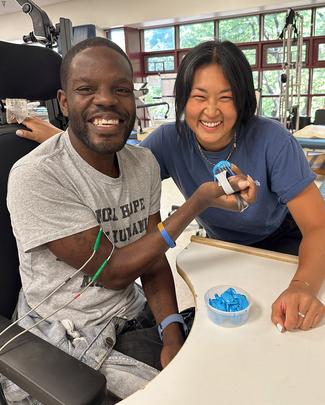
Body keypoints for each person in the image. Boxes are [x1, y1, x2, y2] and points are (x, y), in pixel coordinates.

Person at [3, 37, 253, 404]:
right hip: (69, 345)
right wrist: (195, 204)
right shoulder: (37, 175)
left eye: (120, 89)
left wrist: (171, 333)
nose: (106, 100)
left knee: (234, 355)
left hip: (132, 315)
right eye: (86, 89)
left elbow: (151, 257)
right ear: (64, 101)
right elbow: (113, 269)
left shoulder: (143, 164)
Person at [17, 40, 325, 336]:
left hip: (279, 243)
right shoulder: (169, 140)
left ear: (243, 99)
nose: (212, 111)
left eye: (226, 97)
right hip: (222, 247)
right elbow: (112, 156)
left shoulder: (272, 140)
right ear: (183, 100)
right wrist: (61, 136)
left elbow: (318, 228)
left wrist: (304, 286)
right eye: (199, 96)